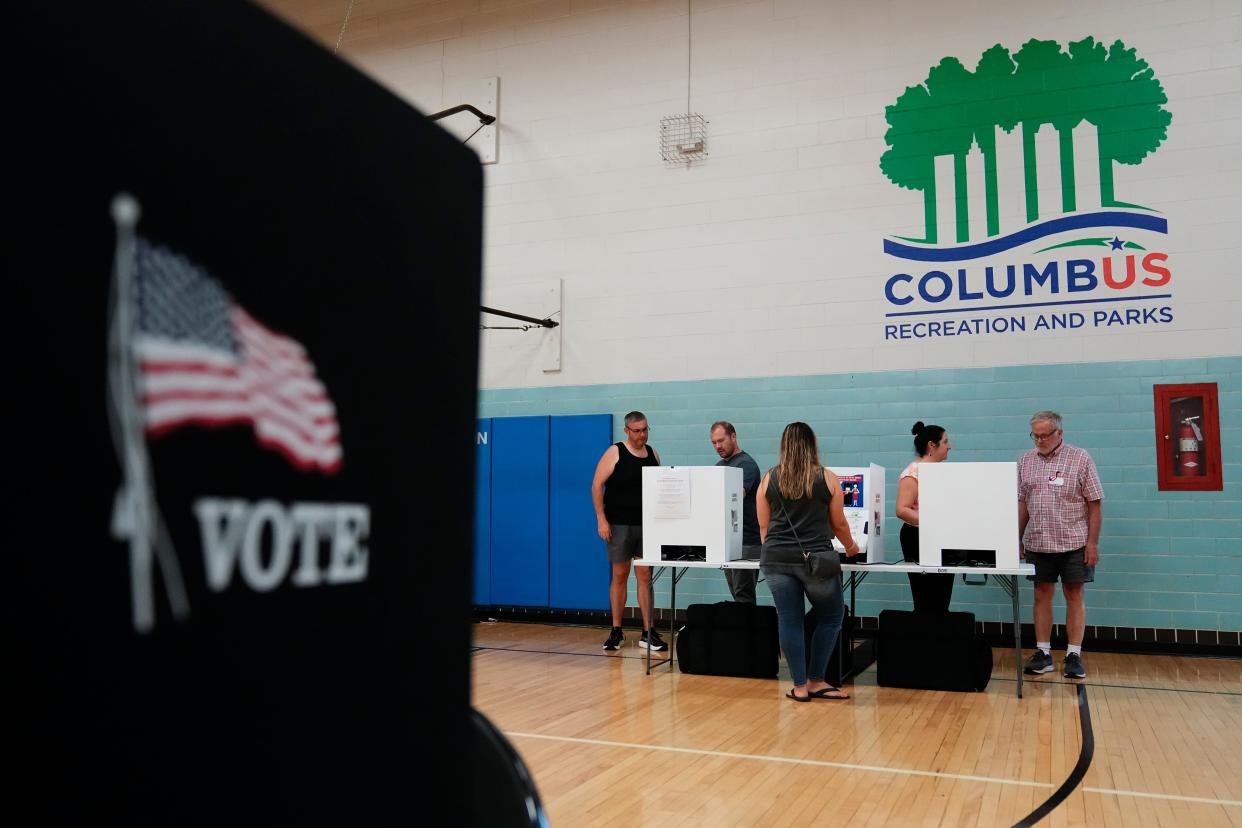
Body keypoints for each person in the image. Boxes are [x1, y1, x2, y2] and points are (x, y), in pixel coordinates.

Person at [756, 422, 860, 702]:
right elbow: (838, 523)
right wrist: (852, 547)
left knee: (790, 621)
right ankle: (816, 679)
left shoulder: (768, 479)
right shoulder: (827, 478)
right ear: (812, 444)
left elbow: (764, 529)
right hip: (817, 560)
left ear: (784, 445)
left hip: (776, 559)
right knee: (831, 616)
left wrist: (780, 551)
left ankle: (799, 686)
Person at [1018, 411, 1103, 679]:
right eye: (1035, 435)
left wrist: (1092, 544)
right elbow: (1022, 503)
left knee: (1074, 595)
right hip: (1039, 542)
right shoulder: (1025, 461)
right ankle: (1043, 653)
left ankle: (1073, 654)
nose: (1039, 440)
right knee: (1041, 594)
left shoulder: (1081, 458)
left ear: (1059, 433)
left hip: (1074, 543)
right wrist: (1016, 538)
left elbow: (1095, 504)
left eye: (1045, 435)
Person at [591, 411, 667, 652]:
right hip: (619, 525)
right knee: (620, 575)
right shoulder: (615, 452)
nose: (642, 434)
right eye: (637, 430)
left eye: (645, 429)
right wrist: (602, 519)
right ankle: (616, 630)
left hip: (647, 526)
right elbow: (596, 484)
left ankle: (648, 631)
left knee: (645, 576)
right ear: (627, 431)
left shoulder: (653, 454)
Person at [894, 421, 954, 613]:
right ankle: (924, 636)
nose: (949, 446)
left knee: (942, 597)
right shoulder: (913, 473)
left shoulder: (941, 472)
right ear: (931, 445)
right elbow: (902, 510)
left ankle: (938, 637)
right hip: (917, 538)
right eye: (945, 442)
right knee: (925, 597)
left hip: (941, 537)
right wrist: (933, 521)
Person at [710, 421, 761, 603]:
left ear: (733, 436)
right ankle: (745, 628)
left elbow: (734, 497)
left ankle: (748, 630)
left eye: (721, 441)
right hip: (728, 541)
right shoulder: (719, 466)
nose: (718, 446)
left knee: (743, 594)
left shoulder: (746, 464)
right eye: (714, 443)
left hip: (747, 541)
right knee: (737, 593)